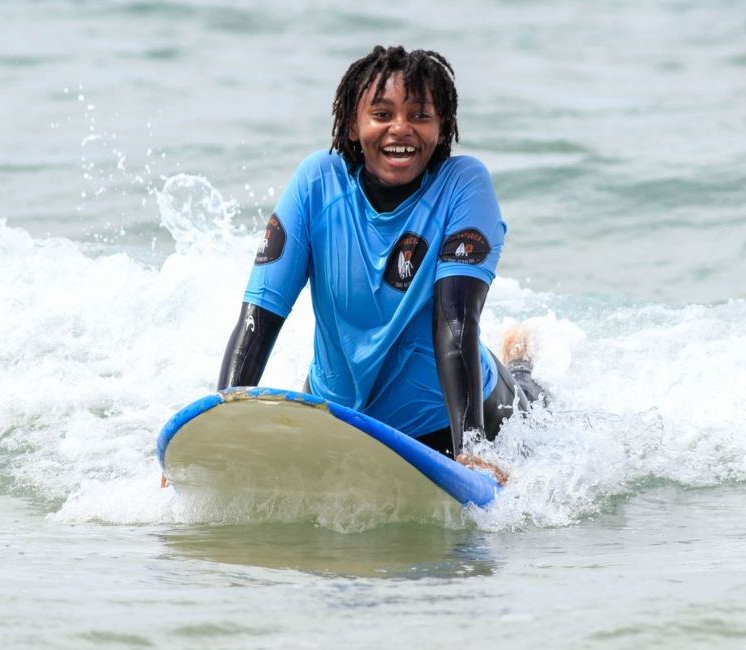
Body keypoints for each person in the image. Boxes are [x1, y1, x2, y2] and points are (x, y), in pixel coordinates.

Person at [217, 46, 544, 476]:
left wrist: (475, 448)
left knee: (534, 399)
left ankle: (520, 362)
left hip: (453, 423)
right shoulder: (317, 181)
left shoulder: (463, 185)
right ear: (353, 125)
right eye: (383, 114)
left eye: (420, 116)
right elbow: (260, 315)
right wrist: (220, 432)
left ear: (442, 128)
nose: (401, 129)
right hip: (342, 420)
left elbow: (455, 320)